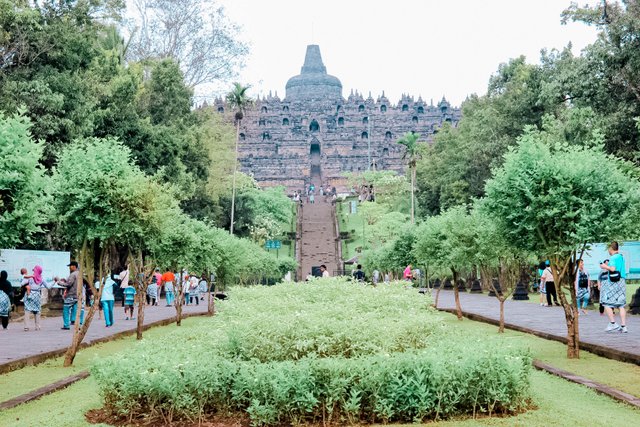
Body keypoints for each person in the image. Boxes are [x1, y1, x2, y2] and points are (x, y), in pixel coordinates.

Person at [599, 241, 628, 333]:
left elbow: (612, 269)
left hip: (613, 282)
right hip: (622, 281)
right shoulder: (621, 257)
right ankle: (623, 326)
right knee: (621, 305)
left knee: (606, 303)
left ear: (611, 249)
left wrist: (604, 266)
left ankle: (613, 323)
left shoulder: (613, 257)